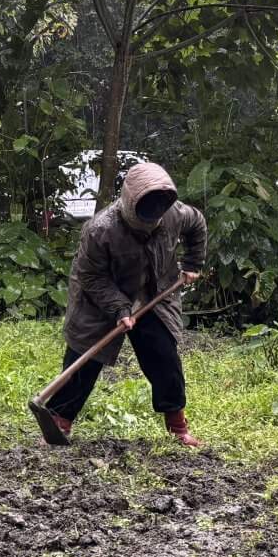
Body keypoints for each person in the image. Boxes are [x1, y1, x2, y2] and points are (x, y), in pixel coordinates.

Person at [51, 162, 207, 447]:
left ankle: (177, 425)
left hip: (154, 292)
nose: (152, 221)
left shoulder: (174, 214)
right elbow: (91, 276)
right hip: (98, 297)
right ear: (129, 204)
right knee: (85, 356)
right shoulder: (100, 230)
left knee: (163, 355)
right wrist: (120, 309)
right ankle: (59, 420)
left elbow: (197, 224)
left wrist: (194, 263)